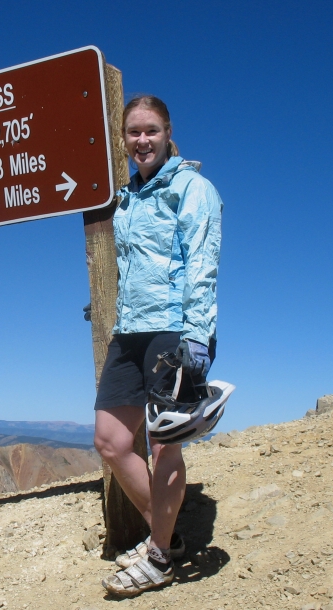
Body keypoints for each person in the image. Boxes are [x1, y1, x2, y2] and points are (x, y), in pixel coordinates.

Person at [93, 95, 222, 597]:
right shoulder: (127, 196)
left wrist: (197, 334)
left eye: (150, 130)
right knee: (111, 440)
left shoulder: (193, 188)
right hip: (129, 332)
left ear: (168, 133)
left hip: (174, 329)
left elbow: (202, 262)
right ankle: (165, 538)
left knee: (163, 442)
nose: (141, 140)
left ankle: (160, 556)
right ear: (123, 140)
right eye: (133, 133)